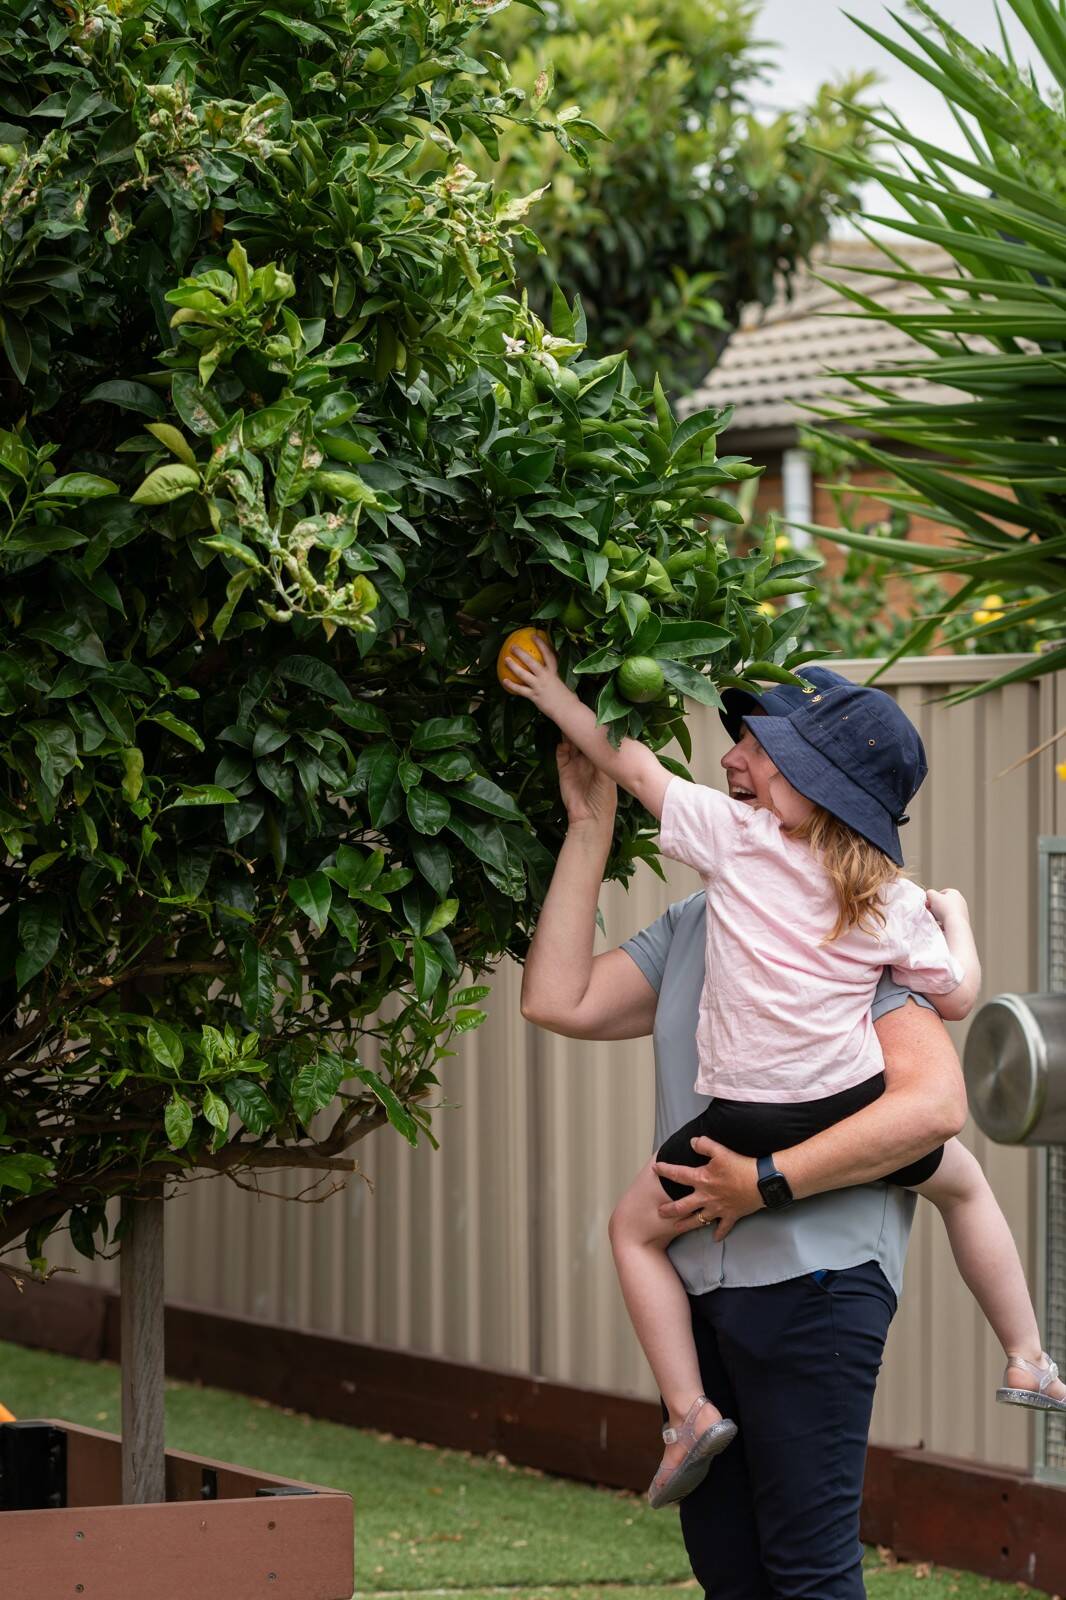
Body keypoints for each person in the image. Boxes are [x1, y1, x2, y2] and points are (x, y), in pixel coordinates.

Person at [514, 656, 1056, 1598]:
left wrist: (761, 1180)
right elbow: (557, 997)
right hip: (704, 1286)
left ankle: (1030, 1352)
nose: (731, 759)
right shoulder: (715, 911)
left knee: (805, 1573)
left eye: (755, 745)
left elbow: (932, 1107)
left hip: (816, 1285)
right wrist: (590, 822)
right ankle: (1029, 1351)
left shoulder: (866, 923)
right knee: (731, 1571)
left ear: (809, 782)